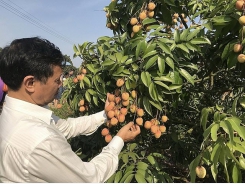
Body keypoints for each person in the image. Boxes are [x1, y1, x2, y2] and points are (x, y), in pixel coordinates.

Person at [0, 37, 140, 182]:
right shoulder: (40, 140)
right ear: (30, 83)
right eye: (56, 80)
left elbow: (68, 127)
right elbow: (90, 178)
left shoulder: (13, 114)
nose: (61, 84)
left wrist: (105, 114)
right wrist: (119, 140)